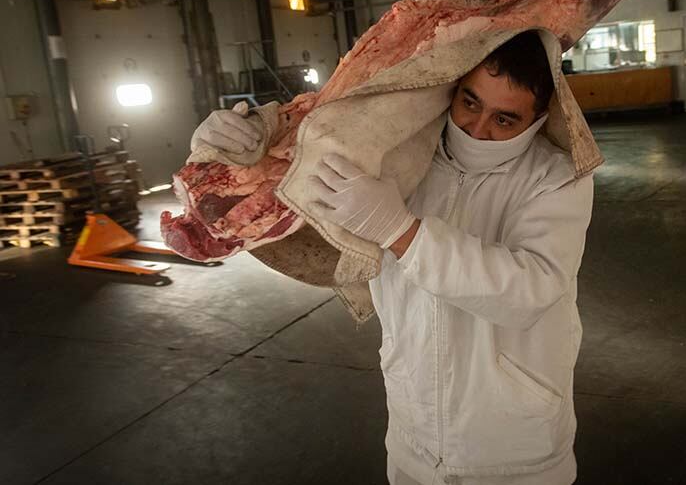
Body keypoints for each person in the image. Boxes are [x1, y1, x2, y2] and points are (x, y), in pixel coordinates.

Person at [190, 31, 595, 484]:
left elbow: (529, 292)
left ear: (540, 118)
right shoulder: (400, 154)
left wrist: (400, 231)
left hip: (514, 452)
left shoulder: (556, 179)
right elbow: (296, 182)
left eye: (504, 119)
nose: (476, 129)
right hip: (412, 434)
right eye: (470, 102)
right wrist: (229, 152)